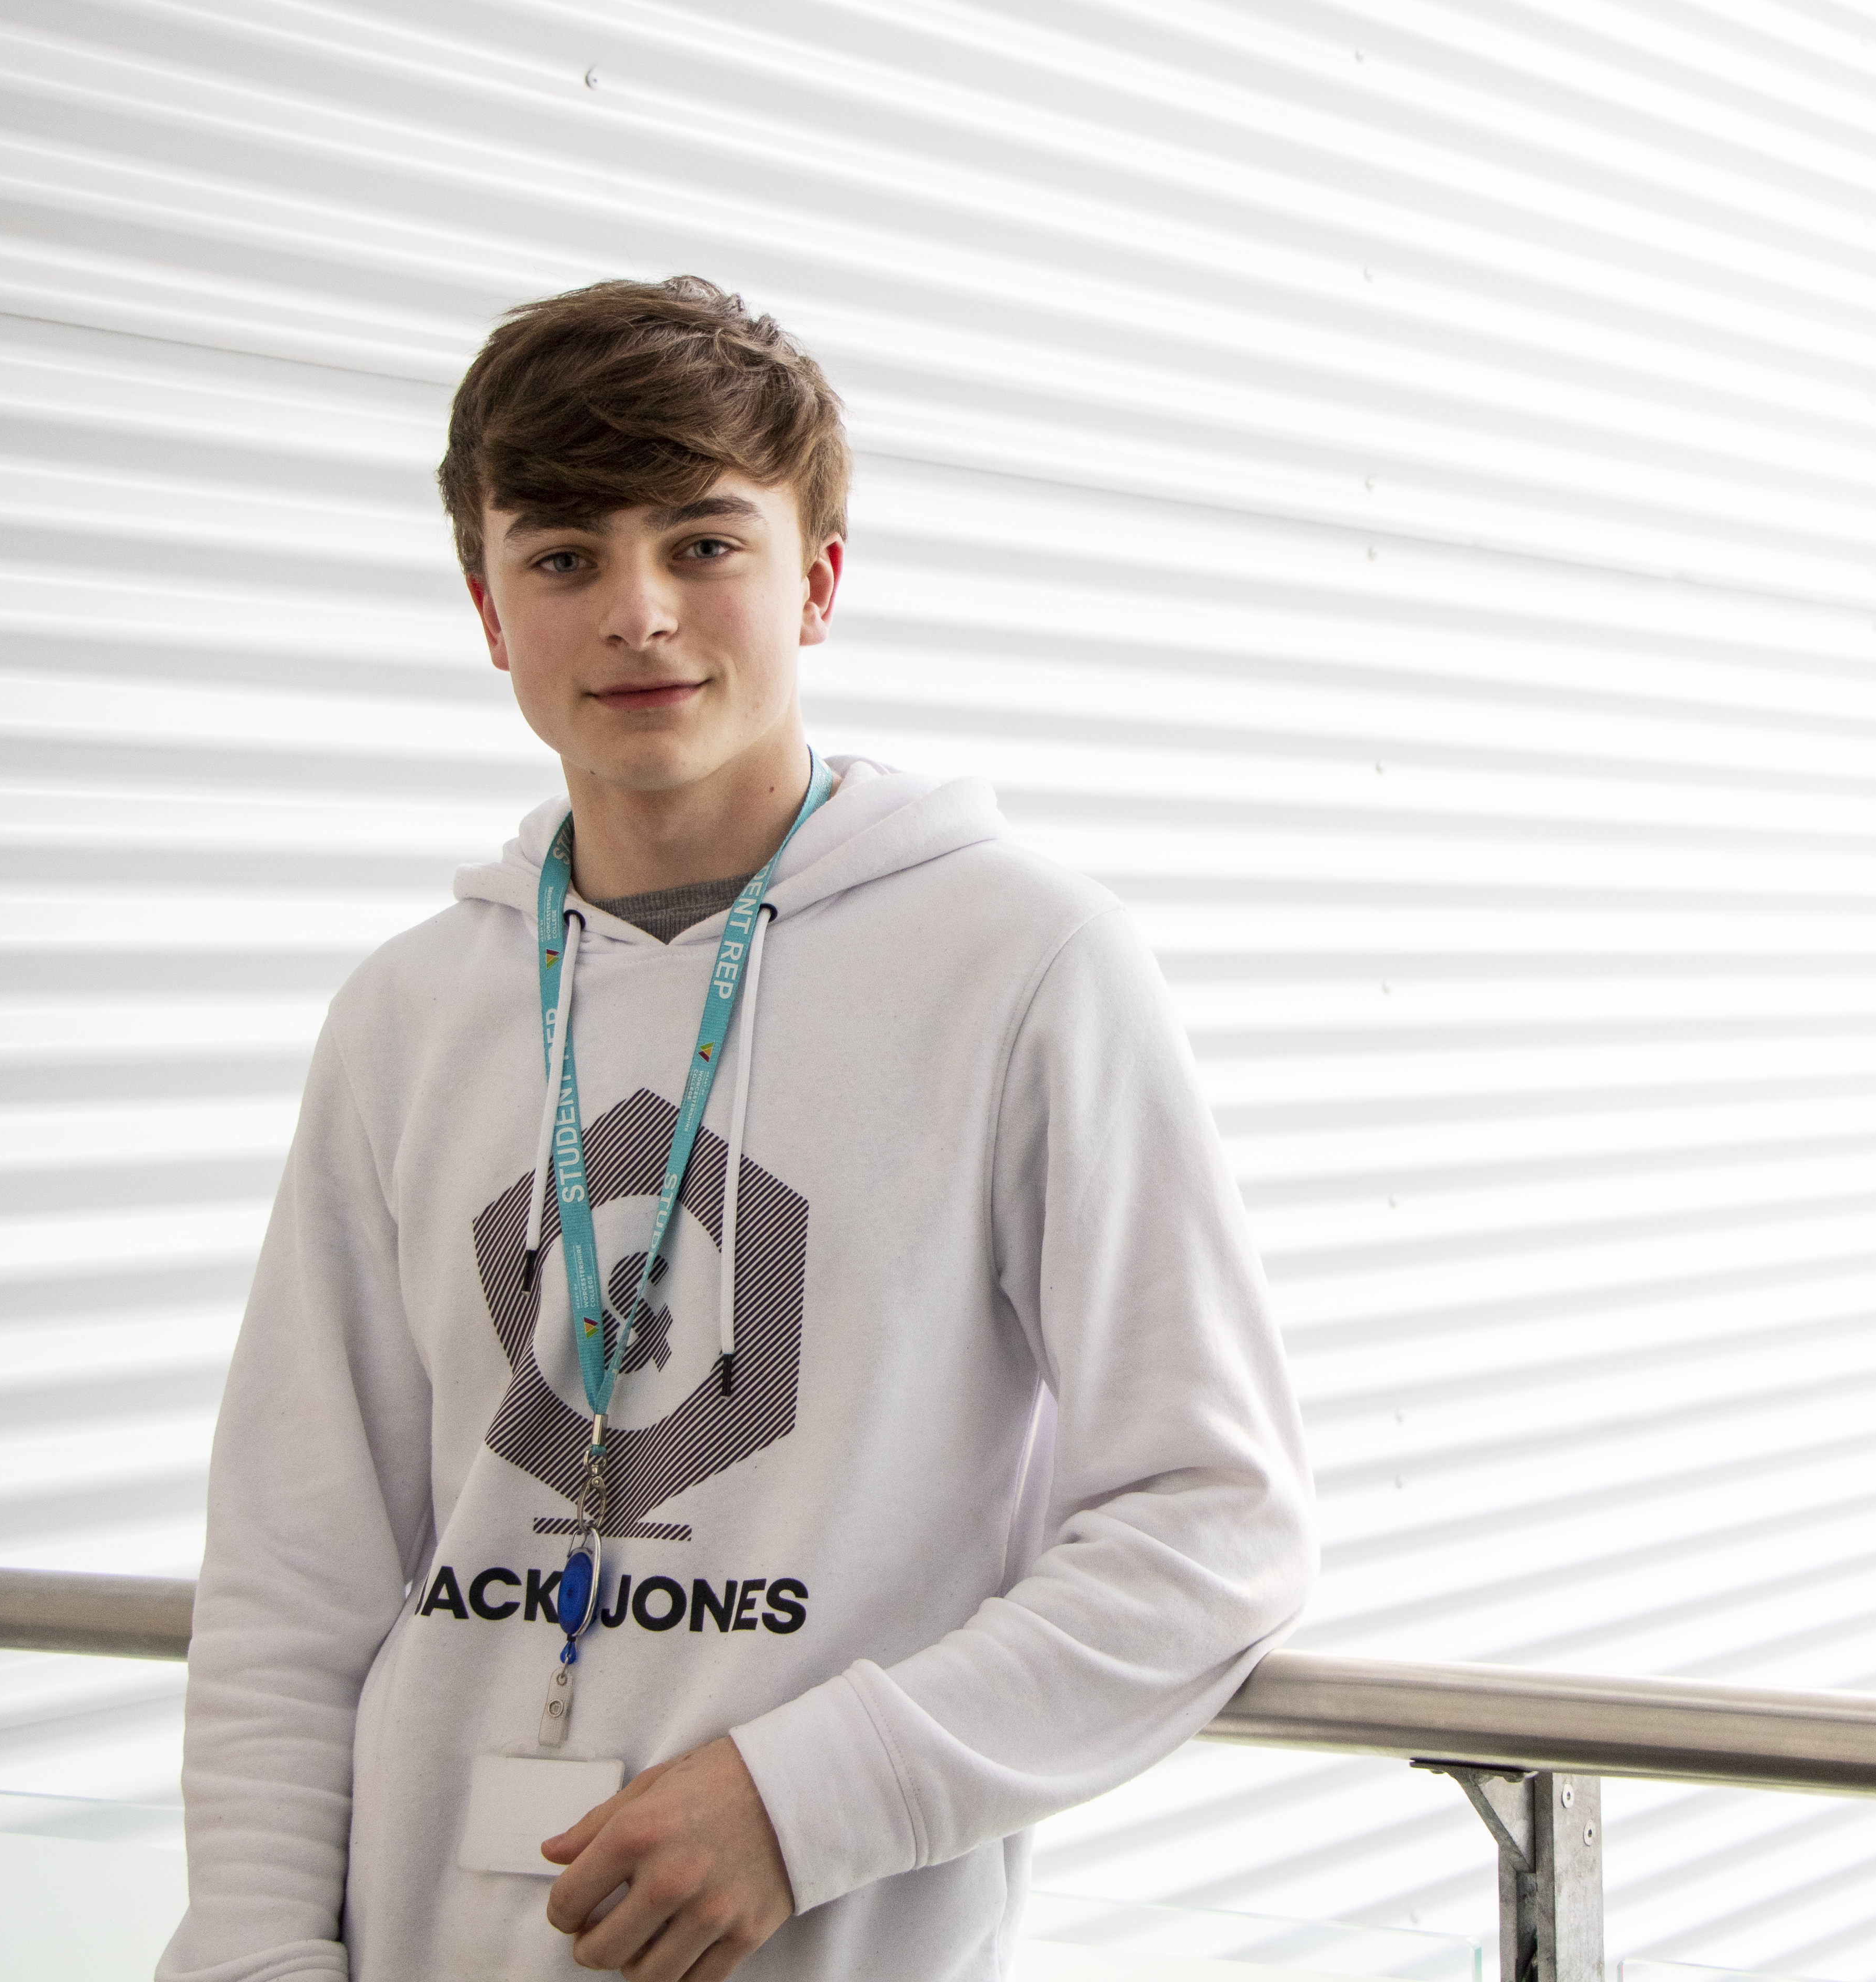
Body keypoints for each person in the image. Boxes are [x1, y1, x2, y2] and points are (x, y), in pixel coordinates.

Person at [160, 275, 1316, 1982]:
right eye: (563, 557)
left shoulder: (1026, 965)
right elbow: (294, 1569)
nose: (636, 613)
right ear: (490, 610)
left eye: (703, 544)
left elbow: (1215, 1523)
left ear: (819, 580)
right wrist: (255, 1954)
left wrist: (807, 1798)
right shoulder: (408, 1013)